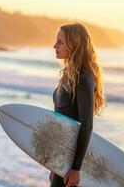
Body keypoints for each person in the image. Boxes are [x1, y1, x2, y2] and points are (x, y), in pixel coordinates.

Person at [49, 23, 105, 187]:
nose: (55, 46)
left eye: (60, 42)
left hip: (71, 162)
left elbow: (86, 125)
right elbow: (62, 123)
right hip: (61, 158)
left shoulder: (83, 79)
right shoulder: (68, 76)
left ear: (74, 45)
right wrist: (54, 163)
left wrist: (76, 167)